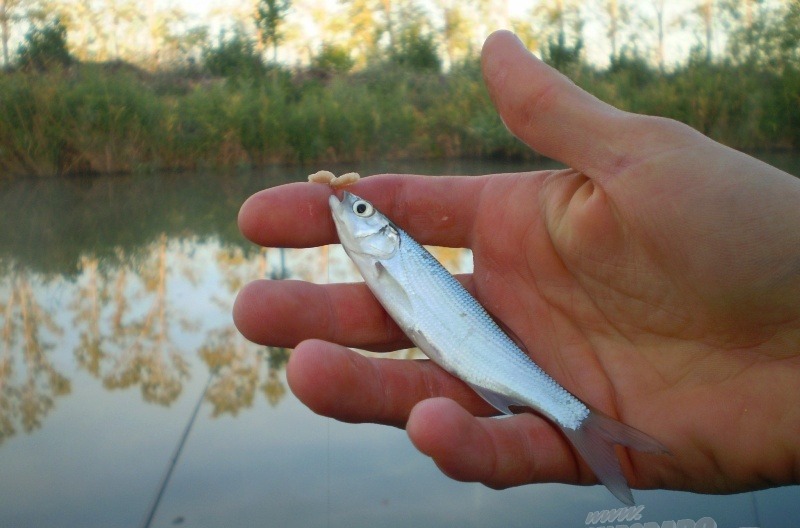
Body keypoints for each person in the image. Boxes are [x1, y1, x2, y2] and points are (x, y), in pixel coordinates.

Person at [233, 30, 800, 497]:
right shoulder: (380, 252)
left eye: (359, 209)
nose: (348, 210)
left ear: (379, 231)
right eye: (359, 209)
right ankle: (580, 420)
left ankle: (579, 419)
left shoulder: (387, 252)